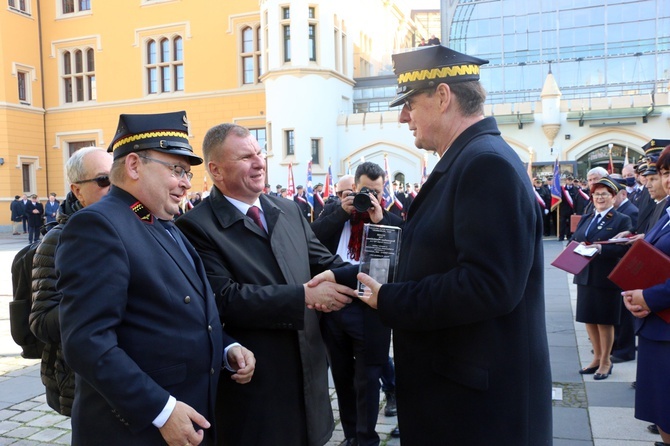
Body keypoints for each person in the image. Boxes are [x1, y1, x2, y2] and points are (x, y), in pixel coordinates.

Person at [317, 45, 552, 445]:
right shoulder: (467, 159)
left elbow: (488, 285)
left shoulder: (484, 164)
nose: (403, 116)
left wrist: (389, 299)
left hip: (477, 410)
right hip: (459, 397)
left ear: (443, 97)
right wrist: (346, 274)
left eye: (409, 103)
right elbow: (424, 254)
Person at [56, 111, 255, 445]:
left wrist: (226, 346)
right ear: (134, 166)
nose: (186, 182)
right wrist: (160, 410)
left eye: (187, 172)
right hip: (138, 430)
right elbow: (87, 342)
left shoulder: (157, 221)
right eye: (176, 169)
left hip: (184, 417)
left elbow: (178, 314)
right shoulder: (98, 226)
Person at [175, 123, 357, 446]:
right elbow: (225, 299)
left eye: (259, 153)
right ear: (215, 170)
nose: (259, 162)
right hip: (257, 393)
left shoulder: (288, 210)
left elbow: (325, 263)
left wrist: (373, 276)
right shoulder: (195, 227)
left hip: (309, 381)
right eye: (246, 157)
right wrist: (303, 296)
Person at [311, 162, 402, 446]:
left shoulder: (391, 219)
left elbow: (388, 263)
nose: (371, 197)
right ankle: (351, 435)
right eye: (365, 191)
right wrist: (342, 212)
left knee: (367, 377)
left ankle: (366, 438)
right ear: (354, 188)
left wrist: (379, 220)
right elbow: (310, 238)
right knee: (341, 374)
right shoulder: (335, 212)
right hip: (334, 307)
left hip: (369, 309)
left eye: (377, 192)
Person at [30, 147, 113, 416]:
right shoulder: (57, 240)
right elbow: (41, 322)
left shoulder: (138, 221)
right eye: (103, 181)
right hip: (81, 379)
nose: (114, 188)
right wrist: (94, 301)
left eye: (118, 178)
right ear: (77, 190)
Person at [622, 144, 670, 446]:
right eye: (666, 172)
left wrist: (648, 298)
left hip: (664, 322)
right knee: (662, 411)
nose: (667, 179)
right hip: (657, 327)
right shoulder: (666, 211)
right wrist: (633, 293)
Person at [571, 177, 632, 380]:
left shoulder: (621, 219)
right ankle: (596, 358)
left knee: (605, 320)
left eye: (604, 194)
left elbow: (623, 247)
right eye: (596, 194)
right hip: (585, 274)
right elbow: (575, 238)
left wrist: (600, 248)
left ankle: (606, 361)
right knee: (588, 318)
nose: (600, 198)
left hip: (606, 277)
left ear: (613, 197)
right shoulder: (588, 217)